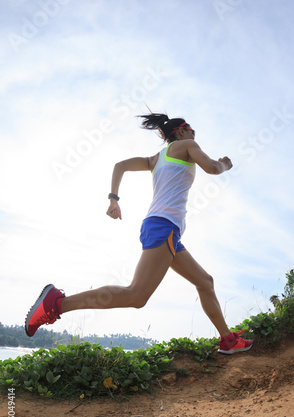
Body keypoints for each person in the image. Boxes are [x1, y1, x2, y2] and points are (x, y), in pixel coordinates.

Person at [25, 113, 253, 354]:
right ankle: (58, 304)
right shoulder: (187, 146)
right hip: (163, 226)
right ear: (181, 131)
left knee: (205, 282)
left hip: (164, 228)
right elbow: (212, 168)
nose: (195, 135)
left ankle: (227, 340)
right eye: (192, 130)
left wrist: (114, 199)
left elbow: (120, 166)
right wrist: (225, 164)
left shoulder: (155, 159)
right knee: (136, 295)